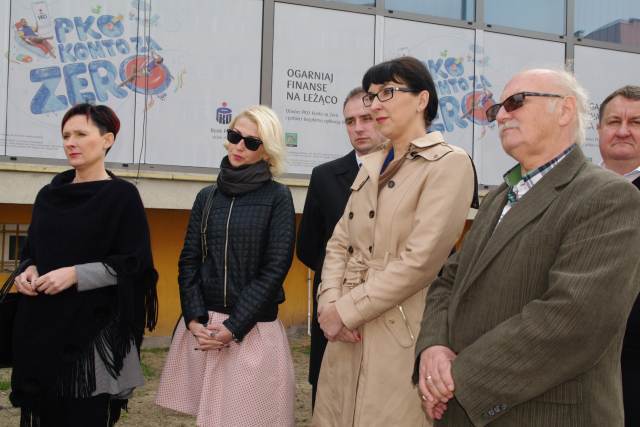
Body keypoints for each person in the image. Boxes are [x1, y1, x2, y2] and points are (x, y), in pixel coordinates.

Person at [416, 69, 640, 426]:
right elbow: (448, 281)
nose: (501, 115)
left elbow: (574, 320)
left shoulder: (609, 197)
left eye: (516, 102)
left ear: (565, 110)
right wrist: (433, 348)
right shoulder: (498, 198)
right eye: (497, 109)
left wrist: (456, 378)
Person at [312, 56, 474, 426]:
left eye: (387, 92)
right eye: (371, 96)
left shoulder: (448, 163)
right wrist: (329, 304)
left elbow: (420, 262)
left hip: (400, 331)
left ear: (422, 99)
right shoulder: (372, 162)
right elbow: (339, 243)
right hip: (345, 335)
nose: (375, 105)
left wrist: (346, 310)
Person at [7, 103, 158, 426]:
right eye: (65, 135)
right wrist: (27, 271)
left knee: (85, 417)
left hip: (93, 336)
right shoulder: (48, 195)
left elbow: (135, 263)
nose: (70, 143)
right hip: (41, 332)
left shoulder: (122, 196)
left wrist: (76, 274)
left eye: (80, 134)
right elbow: (32, 252)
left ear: (107, 140)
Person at [156, 105, 296, 427]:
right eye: (234, 136)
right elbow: (189, 260)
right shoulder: (206, 197)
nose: (239, 146)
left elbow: (275, 269)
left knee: (250, 420)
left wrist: (234, 327)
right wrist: (194, 318)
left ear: (267, 151)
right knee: (209, 418)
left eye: (251, 142)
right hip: (206, 326)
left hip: (252, 329)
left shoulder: (278, 197)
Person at [297, 86, 386, 408]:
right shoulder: (324, 176)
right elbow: (309, 246)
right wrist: (338, 294)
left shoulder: (409, 173)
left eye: (366, 118)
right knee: (330, 403)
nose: (358, 128)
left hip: (387, 311)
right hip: (333, 310)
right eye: (350, 121)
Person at [597, 85, 640, 427]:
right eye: (614, 121)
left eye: (636, 122)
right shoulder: (571, 188)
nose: (623, 131)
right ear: (598, 130)